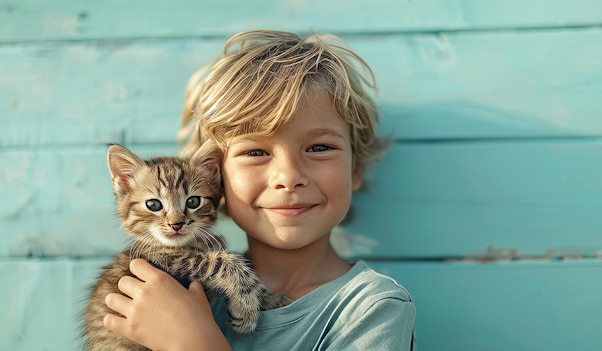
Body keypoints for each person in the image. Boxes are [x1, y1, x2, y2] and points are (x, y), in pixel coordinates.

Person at [102, 29, 416, 350]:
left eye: (320, 147)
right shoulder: (172, 288)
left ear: (355, 169)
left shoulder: (371, 310)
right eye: (255, 152)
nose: (289, 176)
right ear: (215, 179)